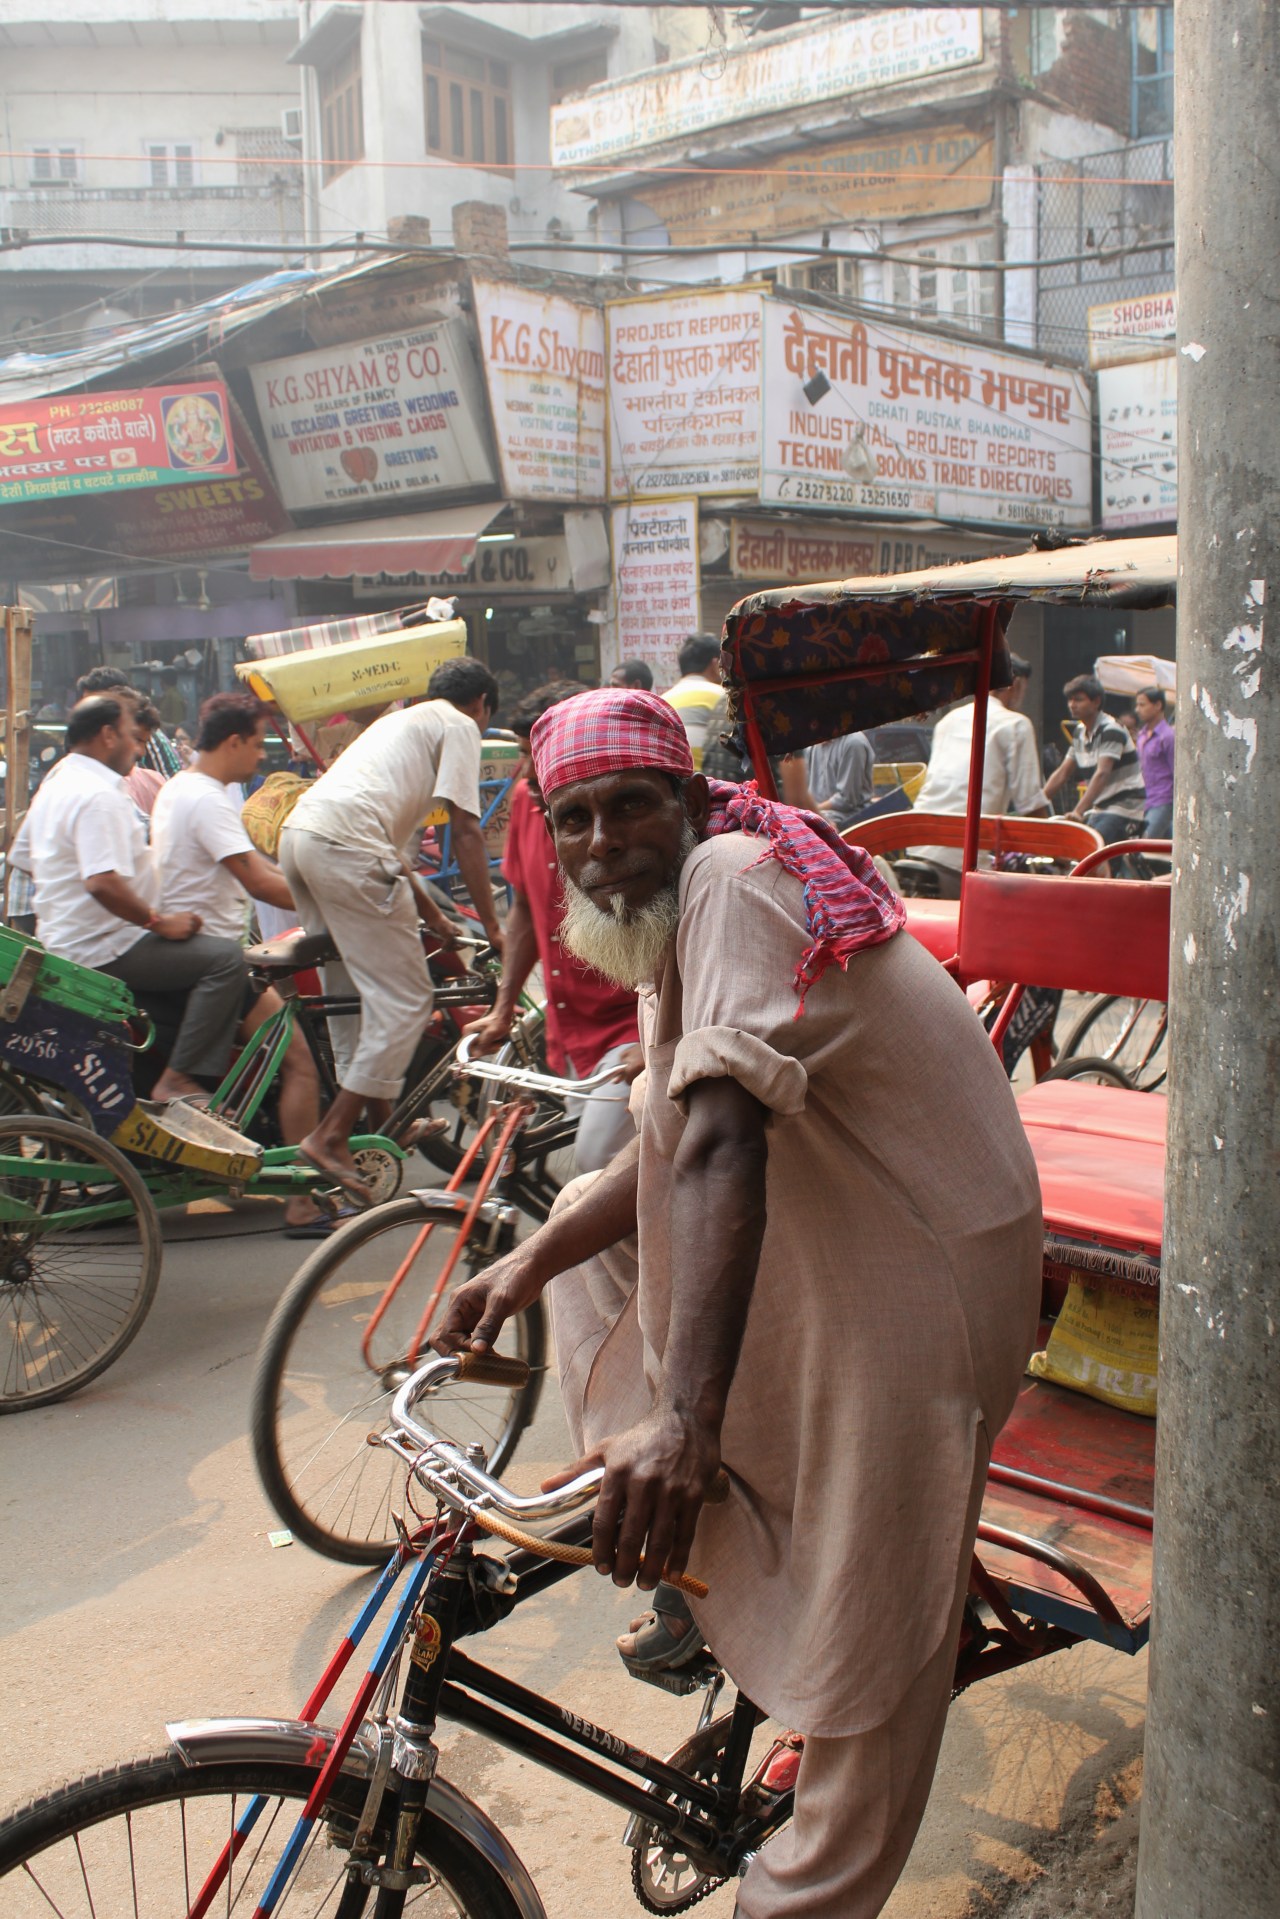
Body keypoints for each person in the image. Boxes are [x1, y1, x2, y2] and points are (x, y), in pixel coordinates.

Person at [433, 688, 1042, 1919]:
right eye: (575, 819)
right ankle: (715, 1523)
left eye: (629, 806)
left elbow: (715, 1148)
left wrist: (686, 1420)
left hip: (924, 1263)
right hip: (847, 1230)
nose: (602, 843)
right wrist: (528, 1262)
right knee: (610, 1241)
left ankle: (805, 1892)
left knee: (875, 1620)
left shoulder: (730, 879)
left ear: (694, 801)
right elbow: (662, 1136)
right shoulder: (667, 919)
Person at [278, 657, 505, 1200]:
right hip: (347, 846)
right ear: (481, 705)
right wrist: (495, 928)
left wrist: (433, 919)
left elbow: (397, 858)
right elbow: (468, 830)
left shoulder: (399, 724)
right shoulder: (457, 724)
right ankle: (331, 1135)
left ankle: (387, 1124)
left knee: (353, 993)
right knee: (407, 1001)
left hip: (303, 839)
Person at [151, 691, 325, 1232]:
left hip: (208, 950)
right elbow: (257, 878)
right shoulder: (205, 797)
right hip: (212, 959)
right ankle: (301, 1200)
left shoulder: (183, 787)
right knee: (299, 1062)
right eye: (255, 745)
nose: (260, 757)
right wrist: (332, 898)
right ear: (232, 742)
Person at [26, 696, 248, 1104]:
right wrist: (157, 922)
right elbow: (102, 884)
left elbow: (25, 859)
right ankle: (178, 1080)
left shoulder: (54, 785)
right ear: (107, 735)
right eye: (132, 737)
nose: (139, 748)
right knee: (225, 960)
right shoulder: (97, 794)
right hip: (106, 948)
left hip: (71, 942)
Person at [468, 683, 641, 1174]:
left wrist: (664, 1039)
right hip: (571, 1027)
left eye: (531, 755)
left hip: (635, 1023)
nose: (522, 773)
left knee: (597, 1166)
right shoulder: (529, 802)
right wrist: (503, 1010)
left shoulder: (622, 818)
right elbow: (524, 907)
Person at [909, 654, 1050, 897]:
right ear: (1013, 685)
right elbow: (1030, 804)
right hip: (961, 859)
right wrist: (1058, 846)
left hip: (917, 845)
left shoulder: (949, 720)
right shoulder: (1015, 724)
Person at [1041, 674, 1147, 851]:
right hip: (1101, 808)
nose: (1072, 704)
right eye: (1070, 700)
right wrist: (1038, 802)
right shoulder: (1080, 732)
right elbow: (1062, 773)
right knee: (1071, 849)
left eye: (1079, 700)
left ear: (1096, 701)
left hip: (1124, 807)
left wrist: (1078, 811)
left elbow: (1102, 773)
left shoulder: (1111, 729)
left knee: (1090, 852)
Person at [662, 634, 723, 769]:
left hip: (675, 783)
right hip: (711, 784)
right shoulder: (724, 697)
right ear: (715, 664)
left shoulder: (662, 701)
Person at [801, 727, 875, 834]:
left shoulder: (853, 743)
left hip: (848, 814)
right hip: (818, 812)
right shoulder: (812, 746)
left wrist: (814, 810)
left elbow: (847, 800)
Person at [1134, 685, 1175, 840]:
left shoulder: (1168, 736)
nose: (1137, 709)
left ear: (1158, 705)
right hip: (1146, 800)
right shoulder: (1142, 735)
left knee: (1143, 847)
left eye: (1142, 705)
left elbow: (1177, 773)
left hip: (1163, 799)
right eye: (1137, 705)